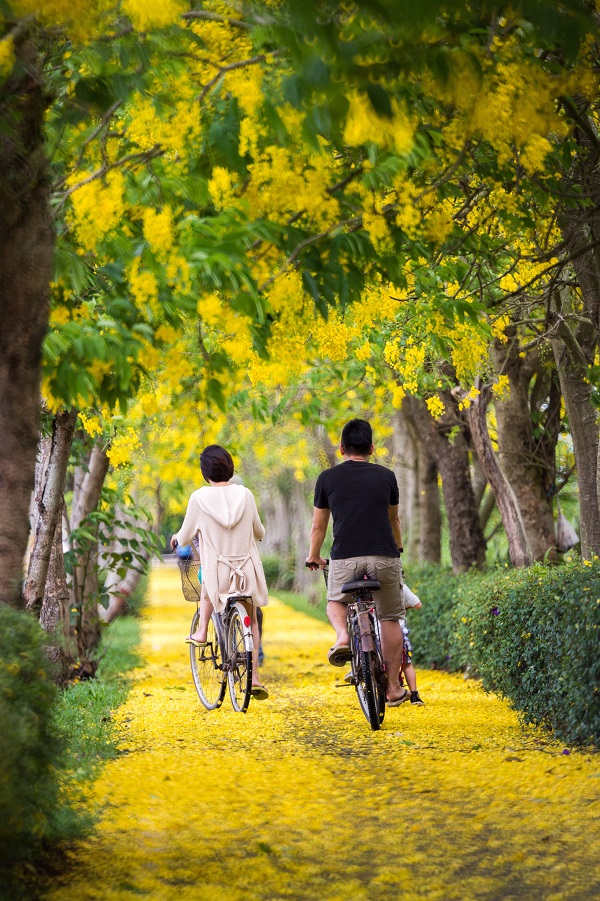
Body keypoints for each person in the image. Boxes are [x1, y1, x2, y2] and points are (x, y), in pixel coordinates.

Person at [306, 418, 408, 707]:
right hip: (384, 556)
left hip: (345, 559)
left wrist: (313, 556)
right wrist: (398, 547)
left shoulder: (327, 478)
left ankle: (342, 638)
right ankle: (392, 687)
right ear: (372, 448)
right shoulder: (387, 476)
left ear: (341, 449)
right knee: (390, 617)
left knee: (336, 602)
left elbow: (318, 528)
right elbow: (393, 519)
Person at [171, 445, 269, 700]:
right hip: (246, 572)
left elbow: (184, 537)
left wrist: (176, 538)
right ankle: (255, 677)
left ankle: (202, 630)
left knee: (207, 586)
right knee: (254, 620)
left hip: (218, 574)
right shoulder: (246, 495)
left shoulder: (198, 498)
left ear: (206, 474)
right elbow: (260, 533)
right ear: (231, 468)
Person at [343, 583, 425, 705]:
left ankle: (363, 671)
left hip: (373, 632)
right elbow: (418, 605)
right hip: (396, 630)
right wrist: (403, 606)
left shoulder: (361, 588)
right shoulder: (397, 585)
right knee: (406, 663)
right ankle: (414, 694)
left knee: (376, 662)